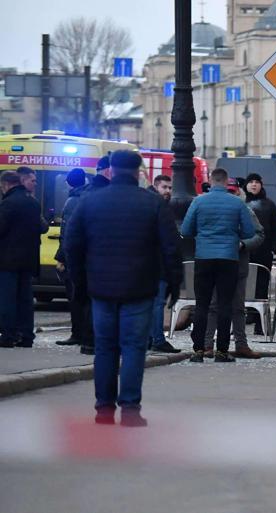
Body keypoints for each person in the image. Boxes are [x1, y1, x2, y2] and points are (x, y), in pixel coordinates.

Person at [64, 150, 182, 426]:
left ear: (111, 170)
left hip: (100, 287)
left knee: (105, 348)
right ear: (138, 170)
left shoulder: (89, 201)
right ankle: (130, 408)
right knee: (133, 348)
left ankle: (103, 409)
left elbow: (72, 245)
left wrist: (80, 283)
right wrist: (174, 283)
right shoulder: (152, 203)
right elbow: (170, 247)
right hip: (139, 287)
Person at [181, 168, 256, 363]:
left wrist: (204, 233)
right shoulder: (237, 203)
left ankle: (198, 350)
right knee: (225, 304)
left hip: (204, 257)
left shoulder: (198, 201)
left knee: (202, 304)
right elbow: (249, 232)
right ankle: (222, 351)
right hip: (229, 259)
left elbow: (186, 230)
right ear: (225, 182)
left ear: (211, 181)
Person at [203, 178, 265, 359]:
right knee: (214, 305)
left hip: (237, 262)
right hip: (217, 261)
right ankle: (207, 344)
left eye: (233, 192)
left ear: (238, 192)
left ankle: (241, 344)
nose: (230, 195)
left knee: (237, 306)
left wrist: (243, 244)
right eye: (227, 191)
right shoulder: (212, 208)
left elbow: (259, 234)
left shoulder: (245, 210)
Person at [0, 171, 48, 348]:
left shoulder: (8, 203)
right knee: (26, 300)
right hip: (28, 260)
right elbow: (41, 227)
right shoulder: (33, 203)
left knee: (7, 299)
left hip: (8, 260)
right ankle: (27, 335)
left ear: (6, 184)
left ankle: (8, 335)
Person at [54, 168, 94, 352]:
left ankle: (78, 334)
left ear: (68, 183)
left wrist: (61, 257)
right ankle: (85, 333)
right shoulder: (87, 197)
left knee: (75, 297)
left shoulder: (71, 201)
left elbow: (67, 232)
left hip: (74, 257)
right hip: (88, 256)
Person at [243, 173, 276, 335]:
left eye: (257, 182)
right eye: (250, 182)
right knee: (245, 285)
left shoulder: (269, 205)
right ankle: (249, 315)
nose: (253, 185)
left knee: (261, 286)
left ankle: (260, 322)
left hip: (263, 252)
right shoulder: (242, 203)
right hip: (245, 251)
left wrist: (274, 247)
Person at [146, 174, 180, 353]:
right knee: (157, 303)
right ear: (156, 186)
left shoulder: (154, 204)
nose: (167, 191)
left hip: (152, 263)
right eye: (164, 187)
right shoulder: (157, 206)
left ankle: (150, 338)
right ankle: (157, 339)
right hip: (157, 263)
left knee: (152, 303)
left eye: (169, 187)